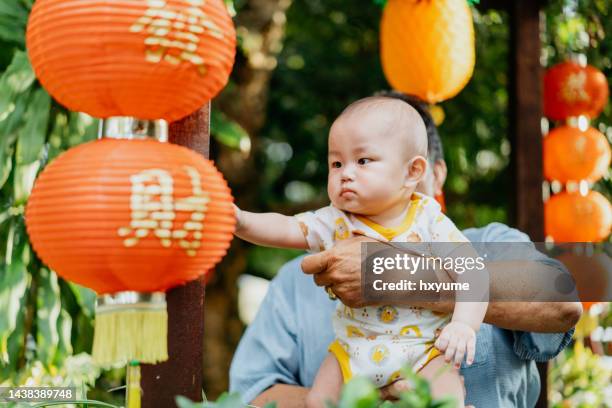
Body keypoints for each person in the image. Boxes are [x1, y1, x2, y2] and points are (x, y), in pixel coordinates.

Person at [229, 92, 582, 408]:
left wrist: (391, 274)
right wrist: (241, 221)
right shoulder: (319, 246)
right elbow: (252, 395)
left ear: (423, 171)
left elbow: (563, 301)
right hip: (353, 354)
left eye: (366, 160)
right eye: (337, 163)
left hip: (425, 351)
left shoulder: (477, 238)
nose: (347, 174)